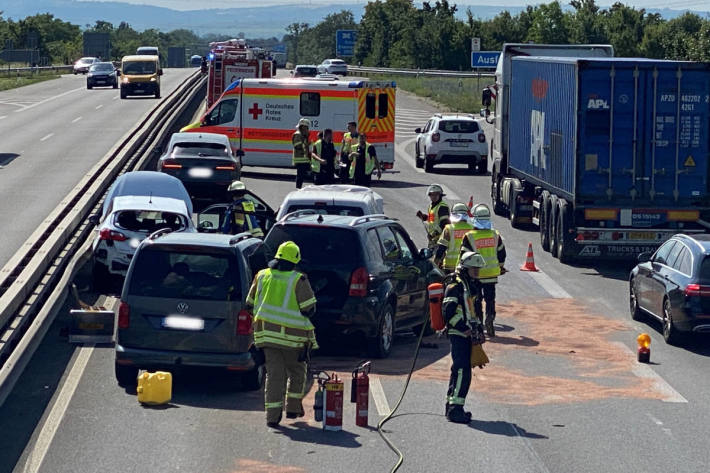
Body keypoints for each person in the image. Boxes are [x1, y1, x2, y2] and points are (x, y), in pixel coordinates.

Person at [245, 241, 318, 428]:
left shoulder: (261, 276)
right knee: (297, 372)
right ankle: (293, 408)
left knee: (274, 376)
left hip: (266, 338)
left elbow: (249, 304)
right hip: (293, 340)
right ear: (294, 261)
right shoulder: (298, 280)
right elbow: (309, 309)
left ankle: (272, 417)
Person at [442, 251, 487, 424]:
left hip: (467, 333)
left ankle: (453, 405)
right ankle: (455, 410)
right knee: (462, 371)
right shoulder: (455, 287)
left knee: (461, 370)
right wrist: (462, 327)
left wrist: (479, 331)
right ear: (465, 268)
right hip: (458, 333)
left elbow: (474, 312)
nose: (477, 273)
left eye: (478, 270)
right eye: (474, 270)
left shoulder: (470, 286)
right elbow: (448, 312)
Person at [459, 203, 506, 336]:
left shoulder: (469, 236)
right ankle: (490, 317)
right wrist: (501, 266)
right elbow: (502, 253)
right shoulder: (495, 235)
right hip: (491, 274)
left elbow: (464, 256)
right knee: (490, 299)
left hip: (476, 275)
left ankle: (479, 322)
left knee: (477, 299)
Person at [434, 203, 474, 273]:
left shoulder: (449, 229)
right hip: (467, 266)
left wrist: (435, 264)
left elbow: (441, 248)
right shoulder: (472, 229)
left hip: (450, 266)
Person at [416, 184, 450, 249]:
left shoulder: (442, 207)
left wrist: (434, 234)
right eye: (432, 194)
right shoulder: (432, 206)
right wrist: (424, 217)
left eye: (436, 194)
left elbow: (445, 223)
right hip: (434, 239)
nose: (434, 196)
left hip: (441, 240)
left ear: (440, 195)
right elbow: (433, 219)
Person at [292, 118, 312, 189]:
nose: (308, 129)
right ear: (303, 127)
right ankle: (298, 188)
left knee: (303, 175)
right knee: (300, 175)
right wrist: (307, 144)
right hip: (300, 159)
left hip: (303, 159)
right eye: (307, 127)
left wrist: (306, 136)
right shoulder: (298, 134)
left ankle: (299, 188)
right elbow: (297, 145)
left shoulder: (302, 134)